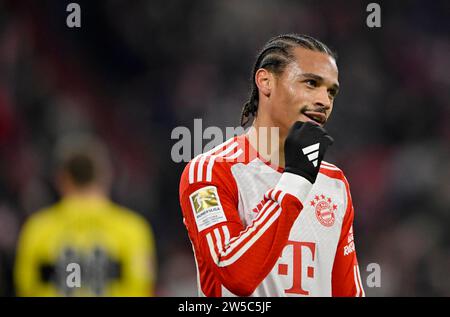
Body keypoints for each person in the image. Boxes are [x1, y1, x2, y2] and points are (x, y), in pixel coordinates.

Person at [179, 34, 365, 297]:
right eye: (311, 83)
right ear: (266, 82)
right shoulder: (211, 172)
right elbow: (235, 274)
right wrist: (297, 178)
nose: (325, 101)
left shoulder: (334, 183)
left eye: (331, 91)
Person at [15, 134, 156, 296]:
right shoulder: (132, 229)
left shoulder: (37, 230)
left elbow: (25, 287)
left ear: (62, 179)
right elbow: (142, 287)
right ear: (106, 176)